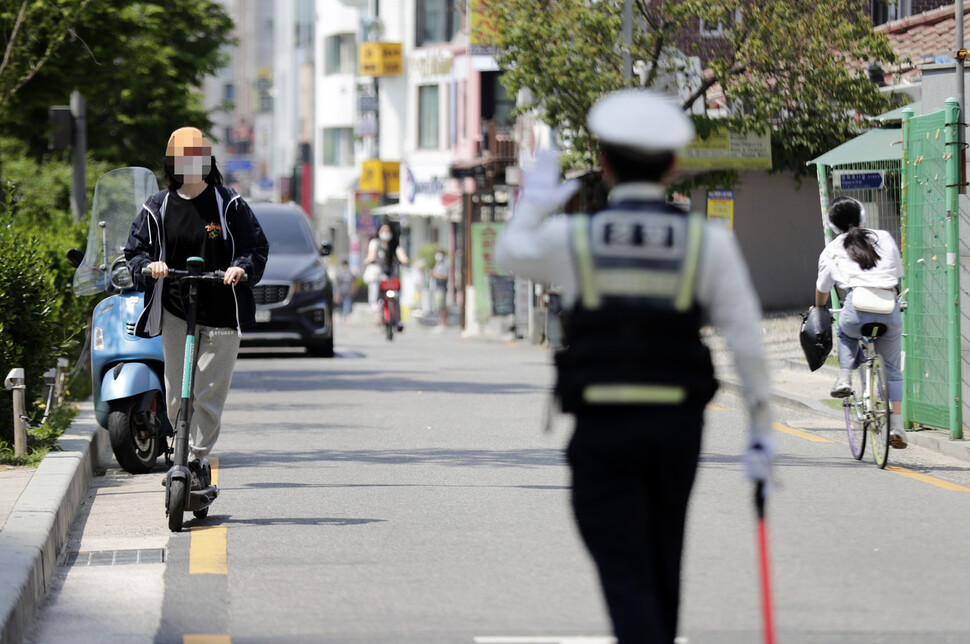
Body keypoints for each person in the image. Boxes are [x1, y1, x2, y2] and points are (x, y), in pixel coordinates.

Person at [495, 89, 774, 643]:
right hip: (677, 428)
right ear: (673, 166)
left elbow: (508, 254)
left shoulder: (577, 237)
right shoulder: (705, 242)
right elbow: (746, 340)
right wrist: (761, 433)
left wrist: (533, 201)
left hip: (603, 427)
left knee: (626, 574)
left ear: (602, 162)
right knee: (662, 561)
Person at [124, 126, 269, 487]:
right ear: (172, 164)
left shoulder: (228, 203)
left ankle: (198, 458)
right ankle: (182, 454)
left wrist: (242, 267)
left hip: (222, 313)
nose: (192, 165)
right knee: (178, 390)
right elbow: (135, 251)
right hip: (176, 310)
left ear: (208, 162)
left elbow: (255, 247)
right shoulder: (157, 207)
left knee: (207, 392)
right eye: (183, 159)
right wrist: (149, 266)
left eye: (198, 158)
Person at [814, 195, 905, 447]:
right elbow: (898, 274)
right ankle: (896, 426)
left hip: (856, 306)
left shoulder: (832, 248)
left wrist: (820, 308)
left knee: (846, 333)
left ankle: (844, 377)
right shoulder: (884, 237)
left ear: (833, 225)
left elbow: (822, 287)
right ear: (862, 217)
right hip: (889, 306)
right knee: (893, 371)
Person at [365, 219, 409, 330]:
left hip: (392, 274)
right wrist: (370, 259)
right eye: (383, 230)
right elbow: (371, 255)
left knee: (396, 296)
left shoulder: (395, 245)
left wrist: (404, 260)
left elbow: (402, 255)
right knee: (375, 284)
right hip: (380, 273)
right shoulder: (375, 243)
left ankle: (398, 320)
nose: (385, 233)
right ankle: (375, 303)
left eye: (387, 230)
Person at [430, 249, 448, 332]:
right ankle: (440, 323)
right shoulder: (437, 264)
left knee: (442, 307)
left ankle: (443, 324)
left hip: (442, 288)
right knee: (438, 306)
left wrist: (435, 274)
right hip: (436, 288)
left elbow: (445, 277)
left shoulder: (445, 264)